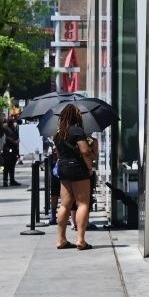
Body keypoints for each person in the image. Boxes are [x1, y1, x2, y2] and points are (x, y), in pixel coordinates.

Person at [53, 104, 96, 250]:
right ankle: (81, 240)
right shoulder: (77, 130)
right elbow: (84, 151)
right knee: (83, 203)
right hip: (77, 168)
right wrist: (90, 166)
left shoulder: (59, 133)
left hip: (63, 168)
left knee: (64, 204)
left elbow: (58, 153)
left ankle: (61, 239)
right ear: (75, 116)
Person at [1, 117, 21, 186]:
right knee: (6, 166)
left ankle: (12, 180)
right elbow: (5, 137)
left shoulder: (14, 128)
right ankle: (5, 180)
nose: (12, 123)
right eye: (11, 121)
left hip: (14, 150)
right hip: (7, 149)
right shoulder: (4, 128)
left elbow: (17, 136)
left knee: (12, 166)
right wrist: (14, 141)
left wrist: (18, 141)